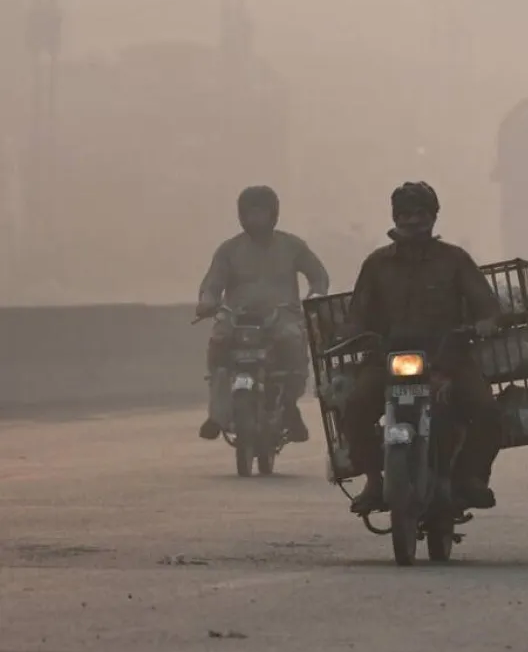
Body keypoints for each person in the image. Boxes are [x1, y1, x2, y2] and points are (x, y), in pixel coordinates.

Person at [342, 182, 504, 515]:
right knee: (354, 405)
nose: (412, 221)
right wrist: (354, 334)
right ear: (395, 218)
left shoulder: (455, 260)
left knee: (487, 410)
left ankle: (470, 477)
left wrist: (485, 322)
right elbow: (357, 313)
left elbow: (486, 306)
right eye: (404, 214)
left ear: (432, 217)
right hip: (387, 358)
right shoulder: (376, 264)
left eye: (419, 213)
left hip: (449, 357)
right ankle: (374, 479)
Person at [196, 185, 329, 443]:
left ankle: (289, 406)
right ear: (241, 216)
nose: (255, 219)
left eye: (260, 213)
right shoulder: (228, 250)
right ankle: (217, 415)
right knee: (218, 344)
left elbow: (318, 276)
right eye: (250, 214)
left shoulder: (292, 246)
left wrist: (317, 295)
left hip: (281, 316)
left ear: (273, 214)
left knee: (293, 341)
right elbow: (212, 284)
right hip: (236, 318)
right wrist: (207, 302)